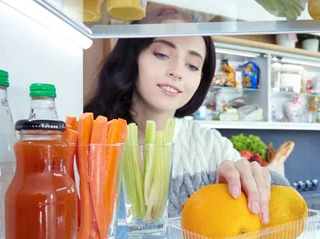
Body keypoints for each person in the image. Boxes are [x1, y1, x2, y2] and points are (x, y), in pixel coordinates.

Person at [84, 18, 289, 225]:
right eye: (162, 54)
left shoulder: (209, 145)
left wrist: (261, 179)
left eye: (192, 65)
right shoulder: (89, 139)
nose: (177, 72)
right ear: (132, 57)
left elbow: (282, 208)